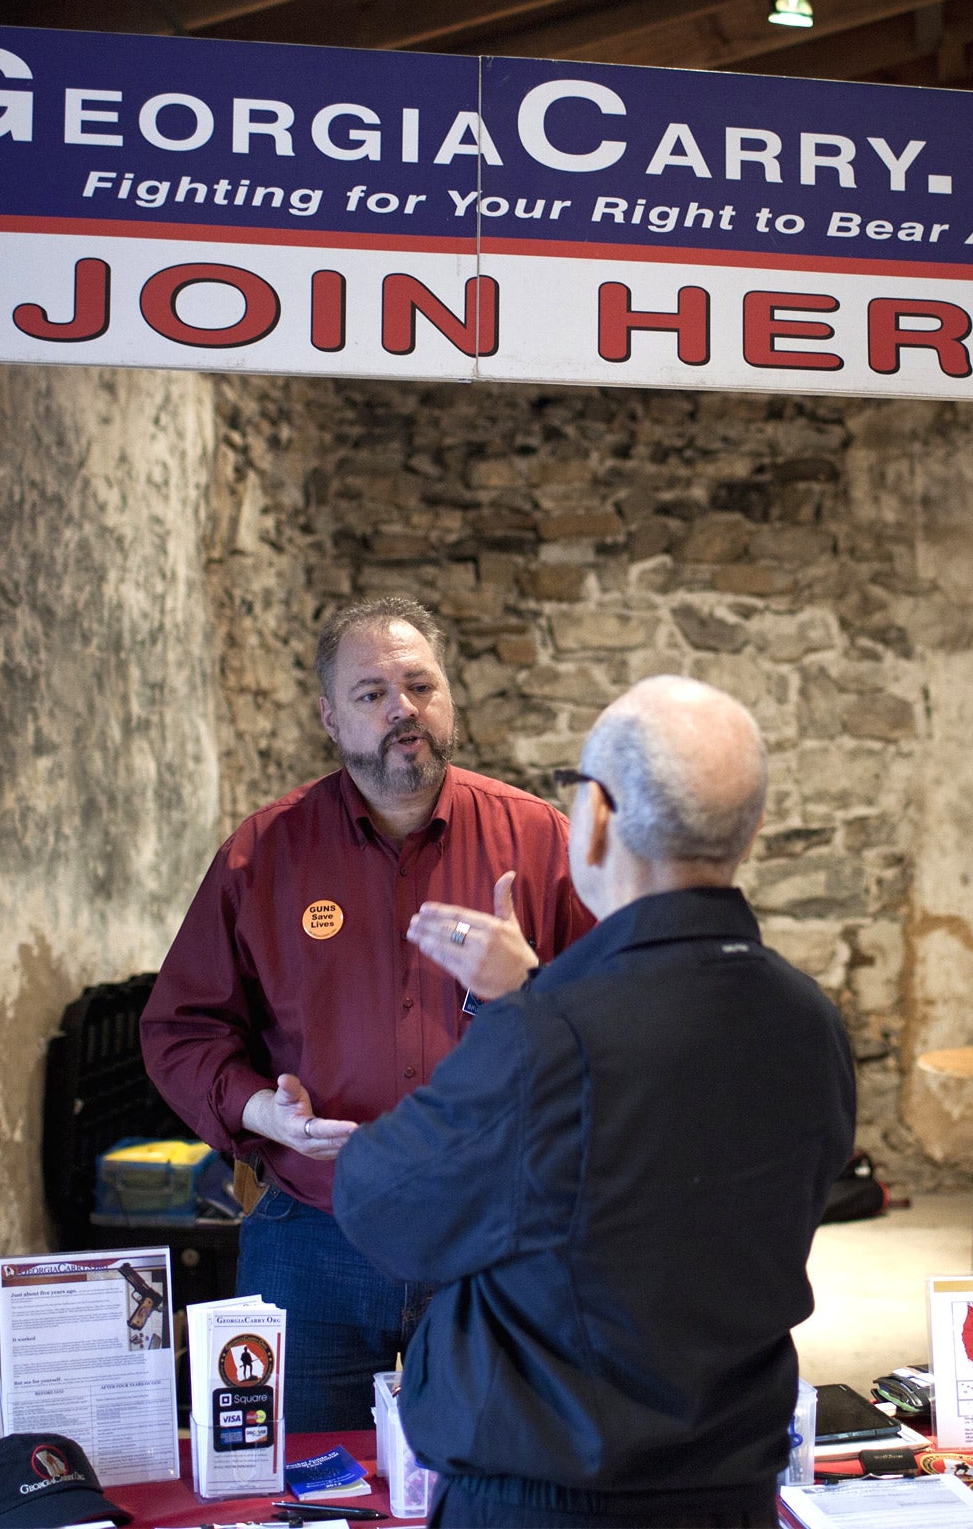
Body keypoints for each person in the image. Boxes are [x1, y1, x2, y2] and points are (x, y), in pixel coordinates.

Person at [335, 676, 856, 1529]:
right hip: (732, 1493)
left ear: (600, 818)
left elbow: (382, 1205)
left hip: (556, 1500)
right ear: (751, 830)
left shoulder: (551, 1034)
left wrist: (521, 1012)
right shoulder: (810, 1019)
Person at [140, 596, 596, 1429]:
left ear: (450, 698)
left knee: (498, 1490)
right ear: (328, 715)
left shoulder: (540, 844)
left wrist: (525, 990)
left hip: (495, 1241)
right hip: (313, 1235)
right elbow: (181, 1030)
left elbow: (624, 1024)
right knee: (307, 1491)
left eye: (421, 686)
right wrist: (259, 1113)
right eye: (372, 693)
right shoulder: (262, 855)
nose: (403, 710)